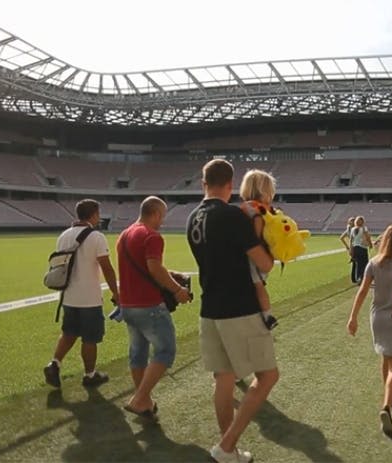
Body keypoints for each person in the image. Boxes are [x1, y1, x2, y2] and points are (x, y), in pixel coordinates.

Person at [187, 159, 277, 463]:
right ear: (230, 183)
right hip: (239, 309)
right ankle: (227, 447)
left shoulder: (192, 218)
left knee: (223, 380)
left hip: (209, 308)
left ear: (204, 183)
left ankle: (230, 450)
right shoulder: (232, 216)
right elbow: (263, 264)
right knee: (267, 376)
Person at [117, 196, 190, 419]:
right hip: (149, 305)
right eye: (162, 217)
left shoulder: (124, 235)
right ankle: (139, 398)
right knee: (165, 351)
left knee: (138, 354)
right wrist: (178, 290)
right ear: (156, 214)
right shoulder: (152, 236)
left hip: (127, 304)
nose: (162, 222)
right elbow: (154, 267)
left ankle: (145, 402)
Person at [43, 199, 118, 389]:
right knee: (90, 338)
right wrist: (116, 292)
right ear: (93, 214)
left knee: (69, 333)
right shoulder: (96, 237)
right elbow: (107, 267)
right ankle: (90, 375)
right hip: (89, 297)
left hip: (68, 295)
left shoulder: (64, 235)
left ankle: (54, 364)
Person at [347, 224, 392, 435]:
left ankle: (389, 395)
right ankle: (386, 406)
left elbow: (363, 292)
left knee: (385, 357)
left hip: (377, 317)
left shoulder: (374, 263)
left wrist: (353, 317)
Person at [239, 169, 278, 329]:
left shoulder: (248, 209)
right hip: (258, 256)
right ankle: (267, 314)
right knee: (259, 285)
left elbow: (252, 238)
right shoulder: (258, 210)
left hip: (252, 257)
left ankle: (267, 314)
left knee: (258, 285)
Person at [349, 216, 373, 284]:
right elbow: (368, 237)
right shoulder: (364, 228)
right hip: (362, 248)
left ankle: (358, 278)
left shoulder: (353, 229)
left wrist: (351, 249)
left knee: (357, 264)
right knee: (364, 263)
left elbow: (351, 240)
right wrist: (370, 244)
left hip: (355, 248)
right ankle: (363, 278)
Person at [340, 217, 357, 282]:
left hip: (351, 247)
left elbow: (341, 238)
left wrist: (347, 247)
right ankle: (356, 278)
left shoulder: (348, 229)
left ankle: (354, 278)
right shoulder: (354, 229)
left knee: (354, 263)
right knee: (357, 263)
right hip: (355, 247)